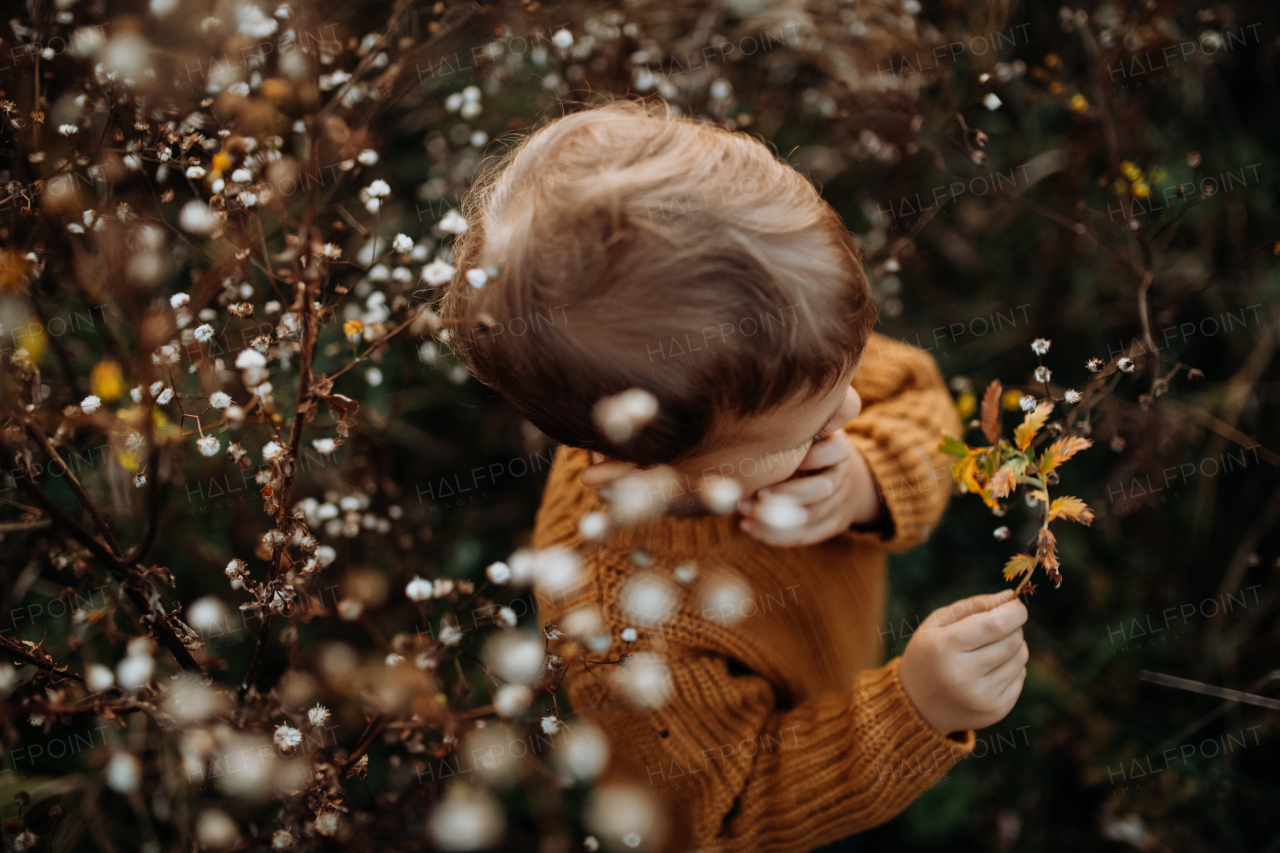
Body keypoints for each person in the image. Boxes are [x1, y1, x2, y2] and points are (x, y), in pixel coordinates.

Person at [439, 100, 1028, 853]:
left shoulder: (782, 356)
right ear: (649, 456)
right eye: (812, 428)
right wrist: (914, 706)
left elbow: (915, 393)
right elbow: (729, 812)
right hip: (821, 786)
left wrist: (864, 484)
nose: (850, 408)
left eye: (843, 379)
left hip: (840, 633)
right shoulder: (621, 628)